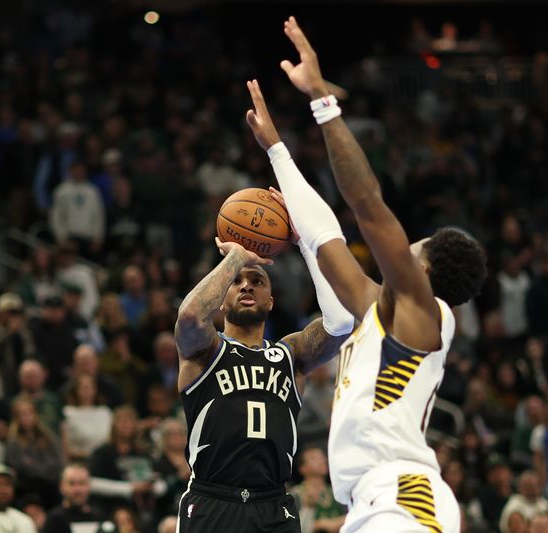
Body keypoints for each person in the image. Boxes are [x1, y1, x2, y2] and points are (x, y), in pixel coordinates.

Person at [243, 16, 486, 533]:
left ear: (423, 265)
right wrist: (278, 152)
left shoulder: (425, 311)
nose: (400, 246)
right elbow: (325, 241)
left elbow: (366, 204)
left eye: (411, 244)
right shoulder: (380, 313)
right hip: (371, 501)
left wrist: (322, 102)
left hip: (403, 498)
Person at [174, 116, 355, 531]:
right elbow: (188, 314)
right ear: (222, 298)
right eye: (238, 283)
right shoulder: (205, 350)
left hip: (274, 504)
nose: (247, 284)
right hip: (212, 498)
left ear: (272, 301)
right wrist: (238, 256)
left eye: (257, 280)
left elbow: (342, 320)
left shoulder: (290, 356)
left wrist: (303, 243)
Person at [289, 446, 346, 533]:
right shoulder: (294, 494)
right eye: (314, 458)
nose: (322, 461)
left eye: (322, 457)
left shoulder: (337, 491)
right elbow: (292, 526)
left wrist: (321, 524)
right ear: (303, 468)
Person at [44, 463, 109, 533]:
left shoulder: (101, 518)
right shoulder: (54, 520)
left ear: (89, 486)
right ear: (61, 486)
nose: (77, 489)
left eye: (82, 483)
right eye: (72, 483)